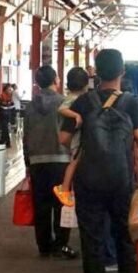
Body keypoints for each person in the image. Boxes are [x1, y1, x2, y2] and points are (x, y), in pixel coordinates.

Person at [59, 48, 138, 273]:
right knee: (125, 238)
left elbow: (62, 139)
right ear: (121, 72)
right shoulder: (131, 102)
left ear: (96, 72)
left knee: (92, 242)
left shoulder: (83, 101)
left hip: (89, 180)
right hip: (120, 179)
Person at [23, 66, 77, 260]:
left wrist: (27, 162)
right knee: (61, 204)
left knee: (41, 204)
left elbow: (25, 135)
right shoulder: (64, 103)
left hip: (38, 161)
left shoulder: (30, 107)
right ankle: (61, 245)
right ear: (56, 79)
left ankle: (44, 246)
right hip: (61, 160)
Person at [53, 66, 90, 204]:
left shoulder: (75, 97)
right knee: (74, 162)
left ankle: (67, 188)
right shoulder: (74, 99)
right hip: (75, 139)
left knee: (74, 162)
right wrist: (76, 115)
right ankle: (64, 188)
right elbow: (61, 109)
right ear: (86, 84)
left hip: (74, 138)